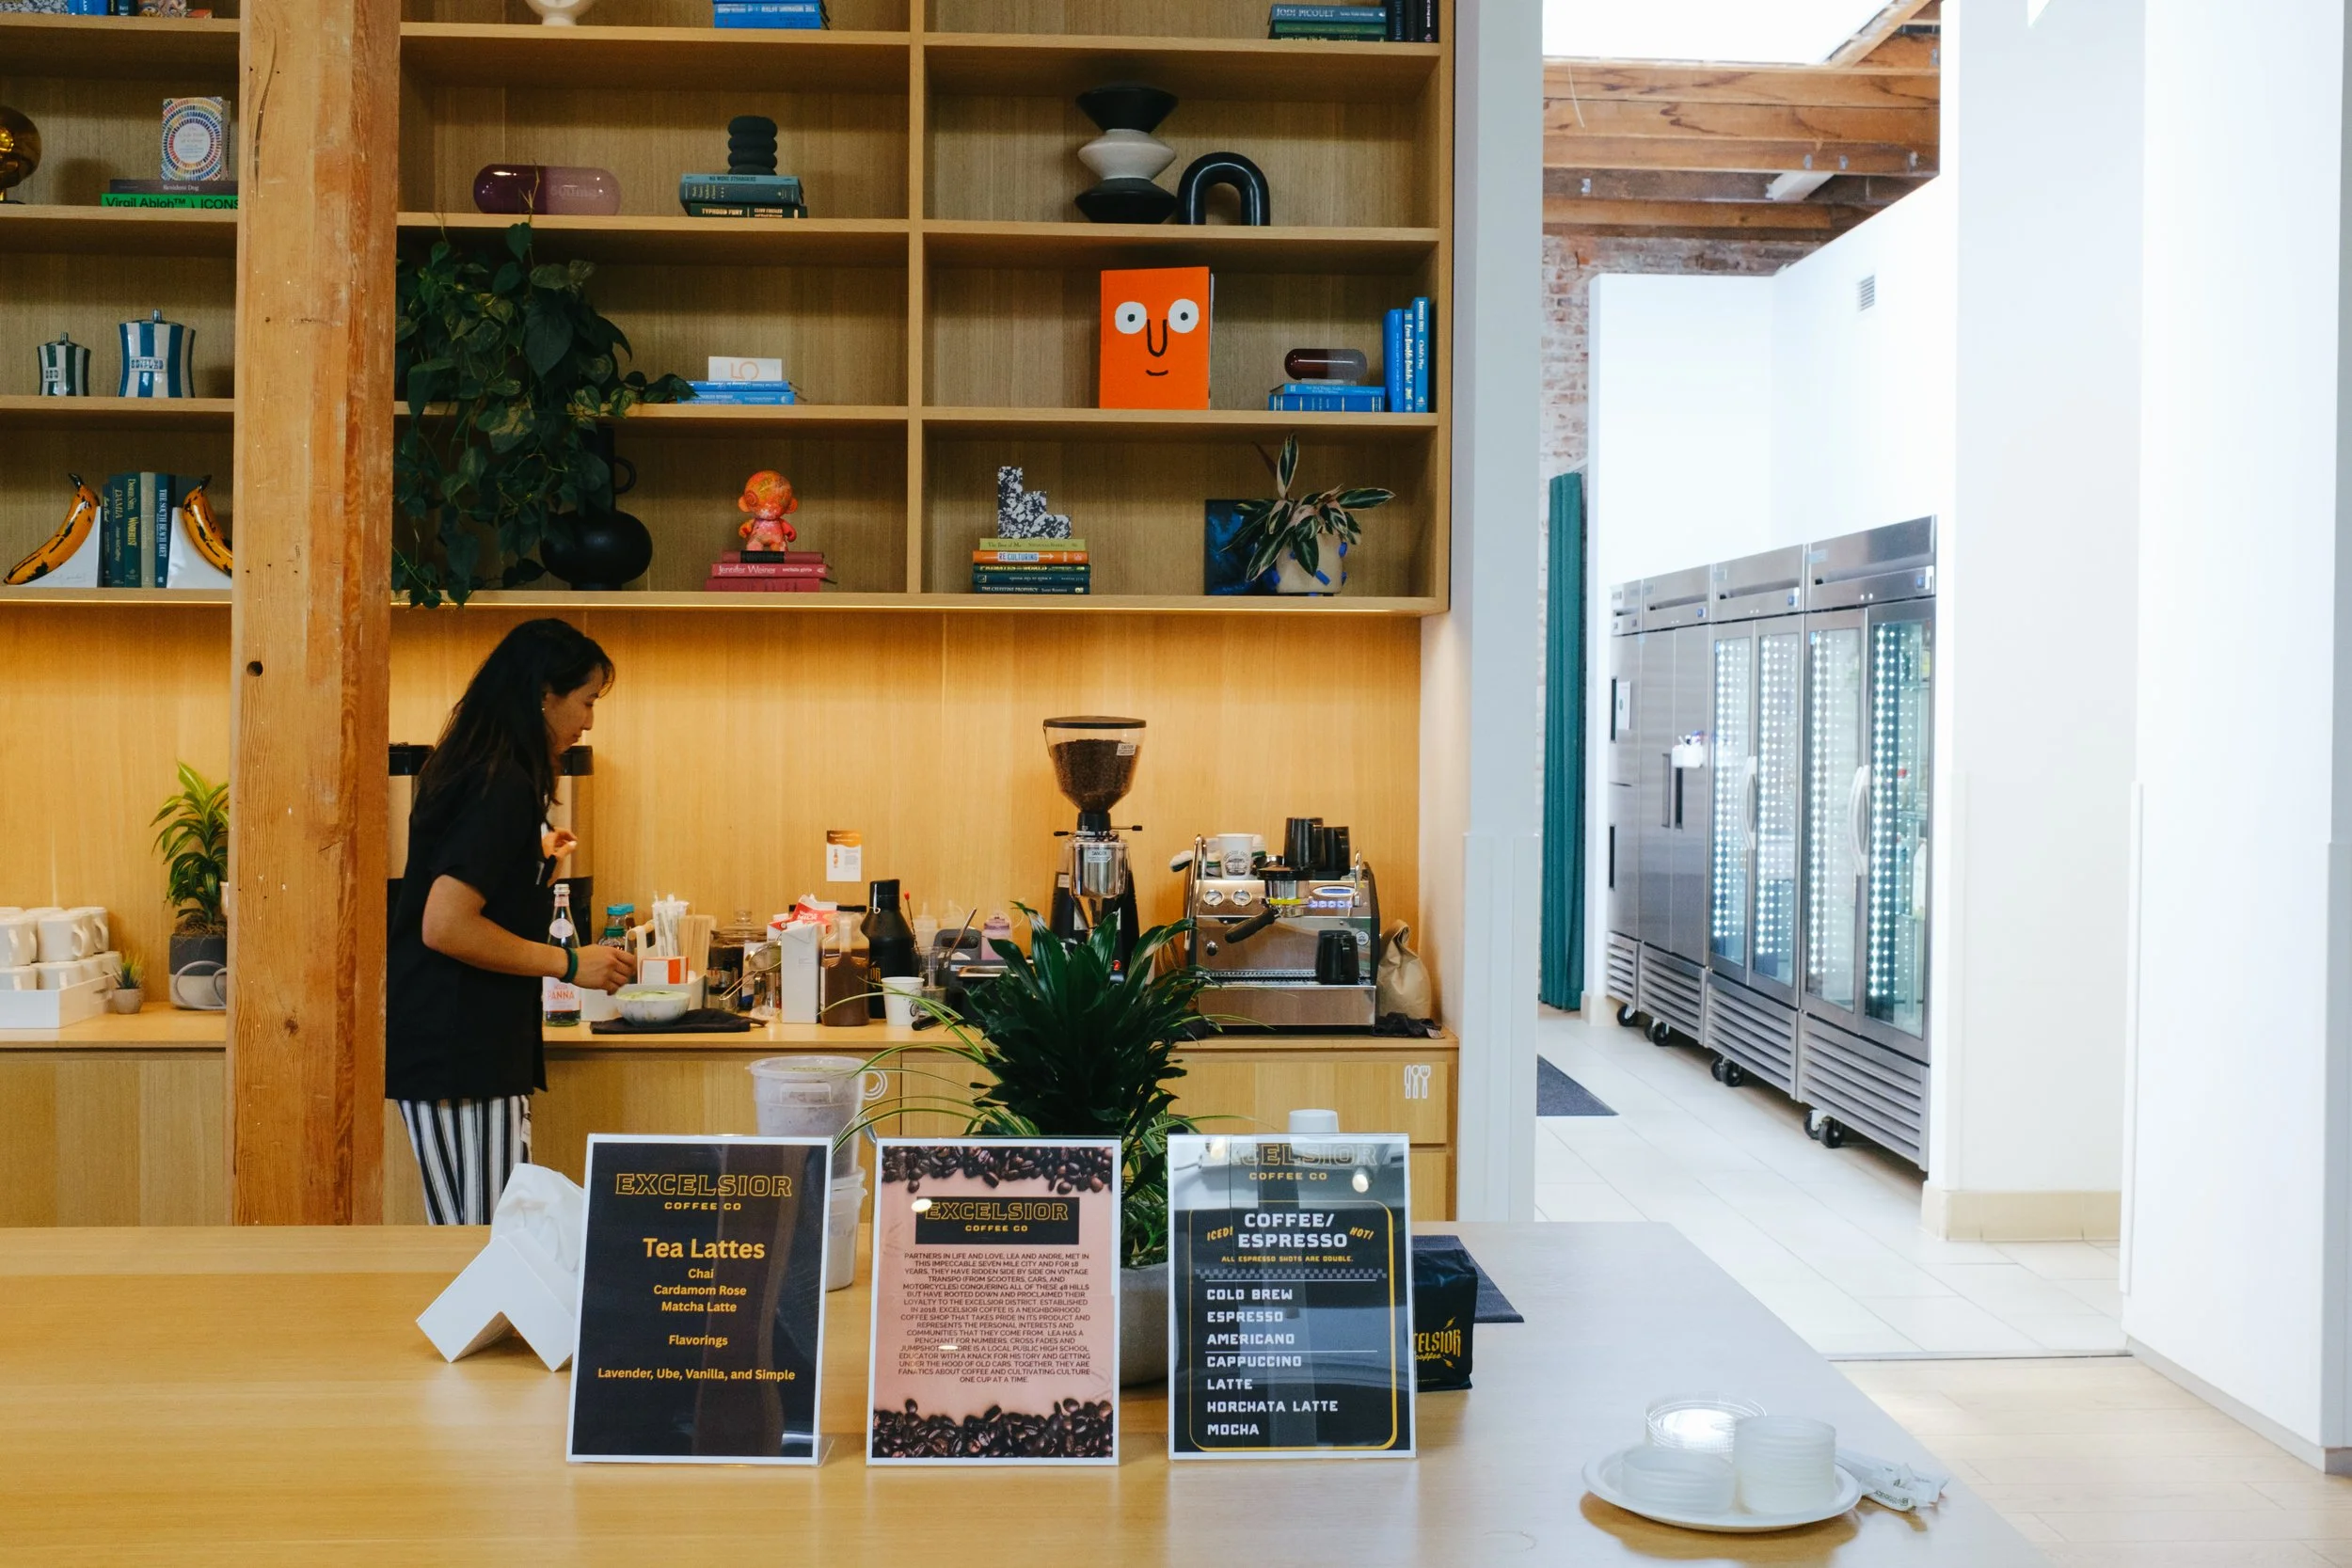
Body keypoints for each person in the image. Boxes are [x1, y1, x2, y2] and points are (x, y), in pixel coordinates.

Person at [387, 618, 635, 1224]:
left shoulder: (480, 770)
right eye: (586, 701)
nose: (589, 720)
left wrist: (534, 854)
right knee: (487, 1244)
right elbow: (445, 925)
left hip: (454, 1043)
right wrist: (573, 962)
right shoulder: (501, 786)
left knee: (473, 1235)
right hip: (463, 1047)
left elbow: (462, 887)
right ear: (543, 695)